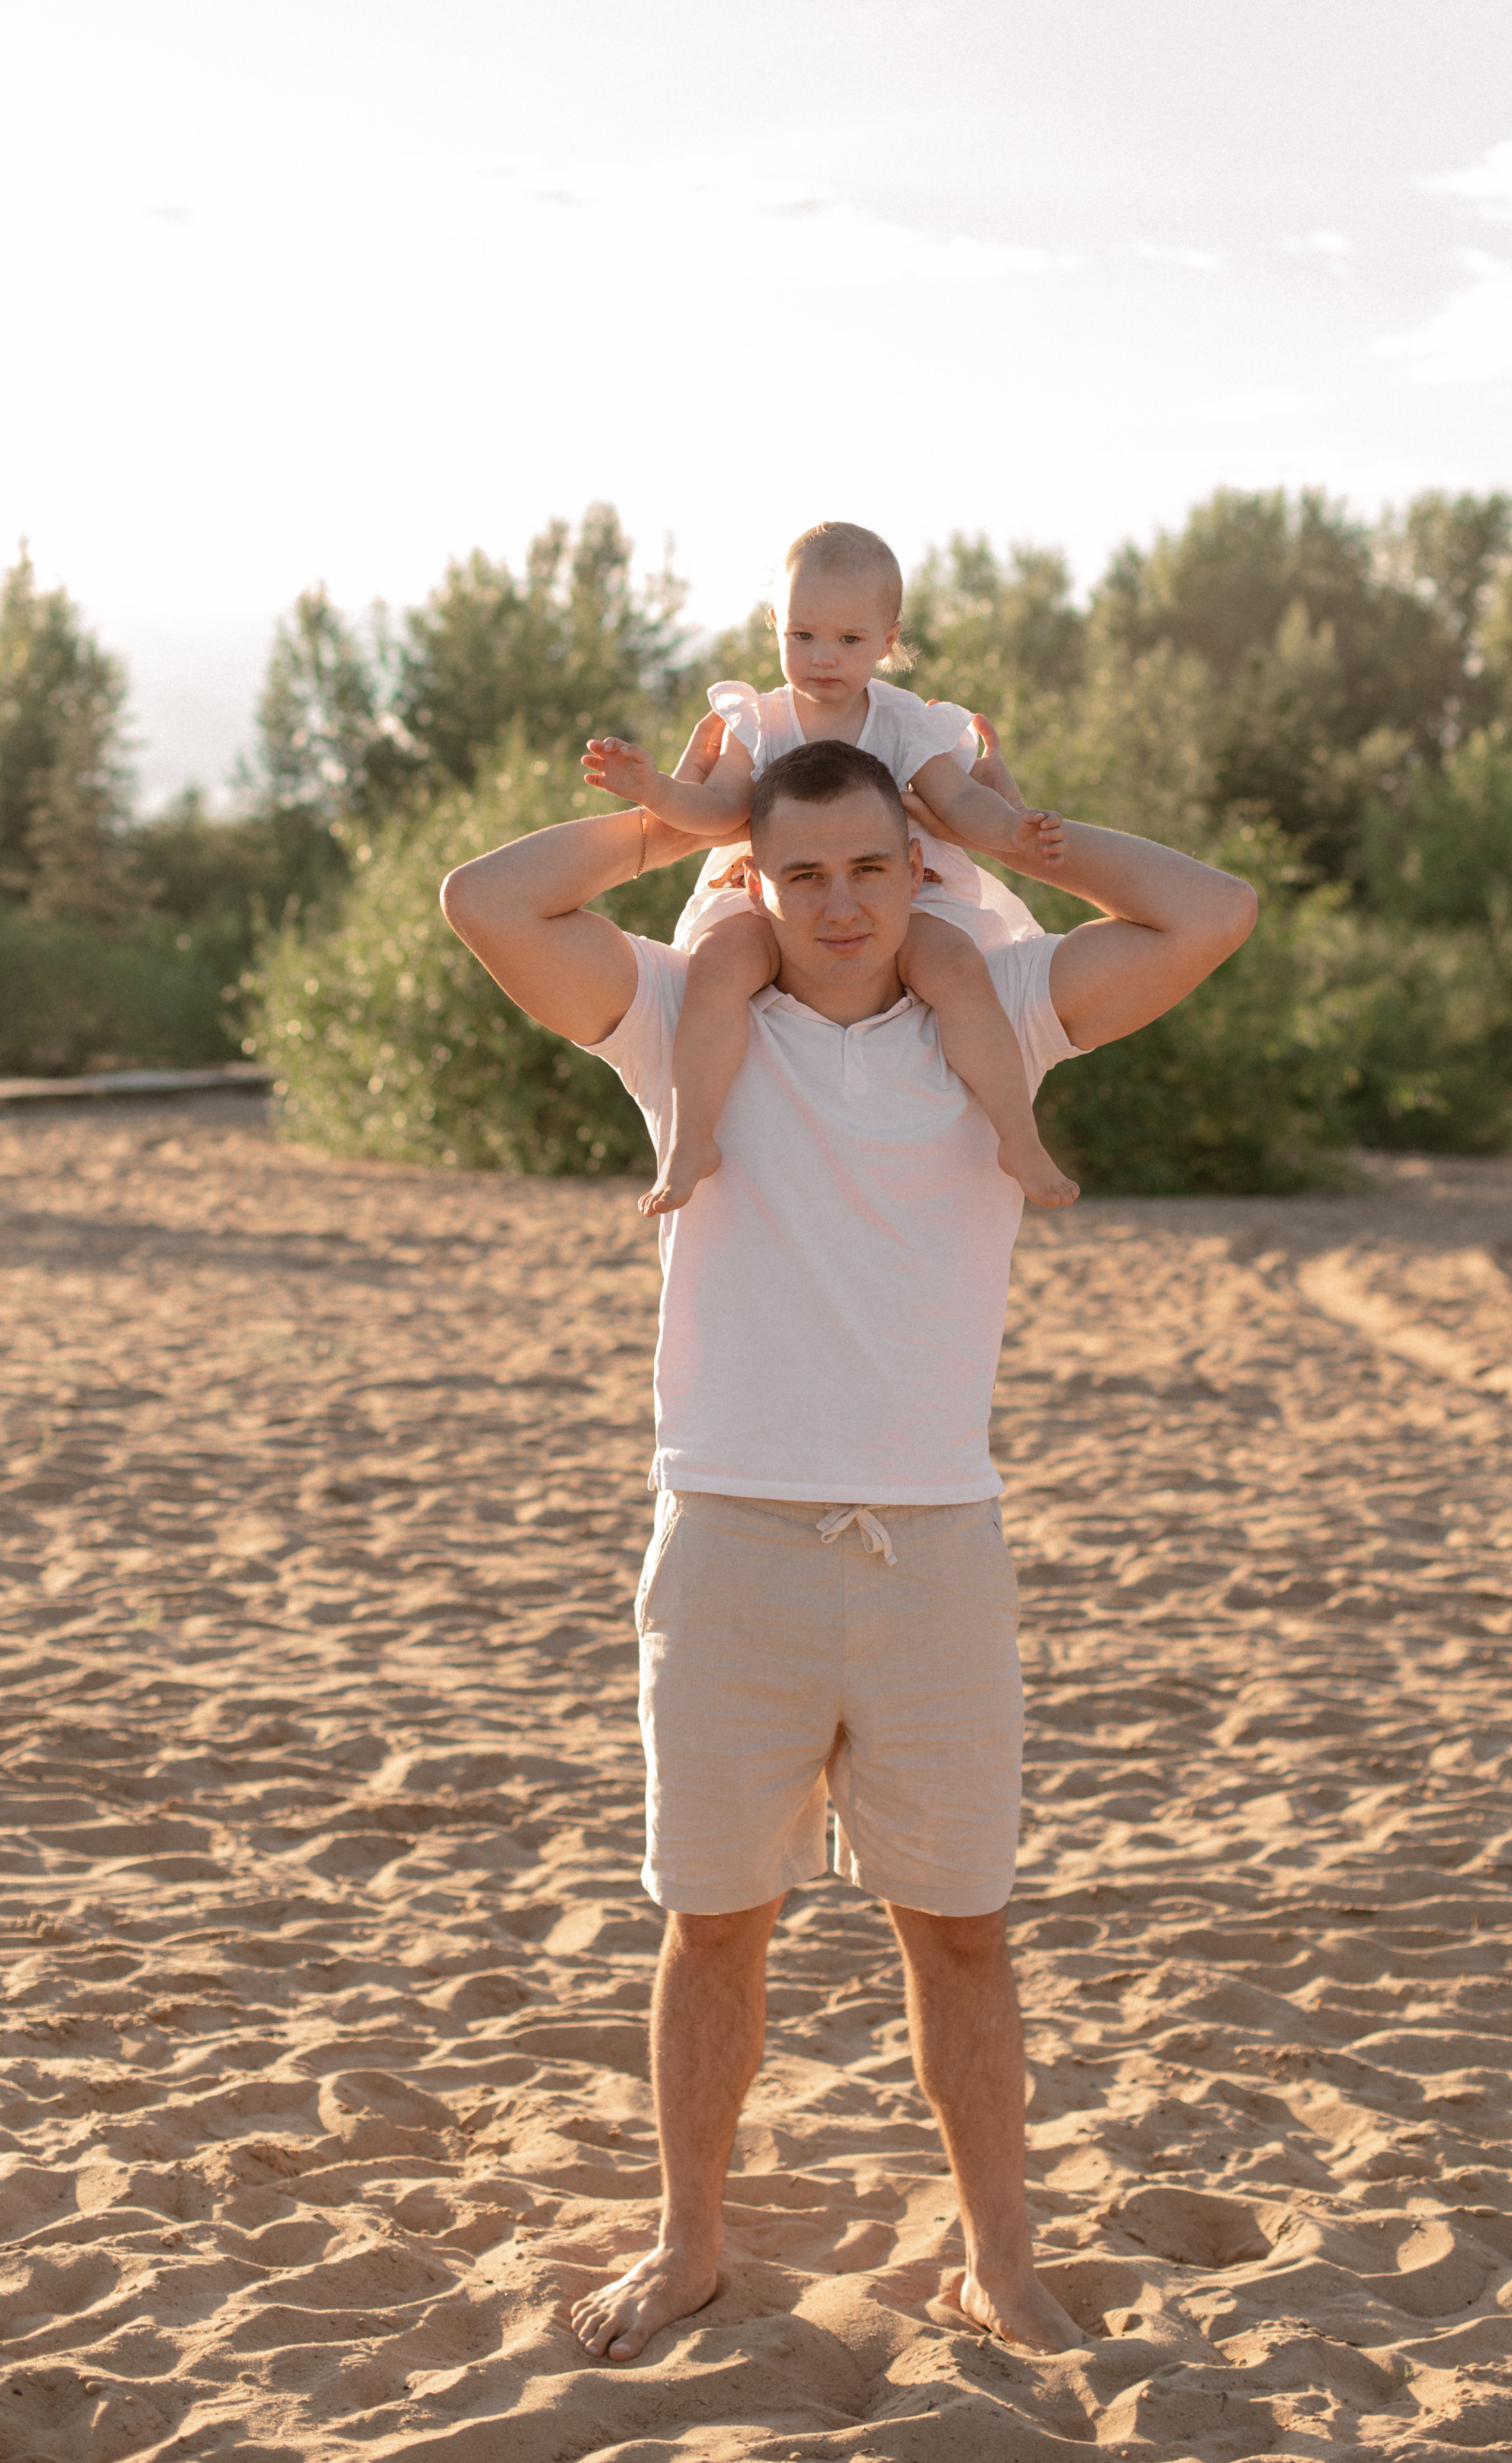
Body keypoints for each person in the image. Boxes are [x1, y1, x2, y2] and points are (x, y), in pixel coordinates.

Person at [439, 713, 1256, 2362]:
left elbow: (1210, 911)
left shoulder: (996, 1014)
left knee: (959, 1929)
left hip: (935, 1546)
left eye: (870, 869)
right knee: (712, 1923)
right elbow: (486, 901)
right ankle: (687, 2243)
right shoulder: (678, 1018)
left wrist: (1011, 831)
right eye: (800, 872)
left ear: (913, 871)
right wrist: (682, 824)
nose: (837, 905)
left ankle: (997, 2263)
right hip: (726, 1533)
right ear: (758, 879)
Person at [581, 520, 1079, 1216]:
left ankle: (1017, 1136)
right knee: (718, 965)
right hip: (772, 894)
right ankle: (691, 1137)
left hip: (896, 896)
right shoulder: (760, 721)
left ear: (887, 640)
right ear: (774, 623)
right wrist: (655, 790)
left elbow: (959, 803)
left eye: (849, 640)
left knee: (958, 968)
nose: (823, 658)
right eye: (802, 635)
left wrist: (1011, 828)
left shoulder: (904, 721)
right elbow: (719, 810)